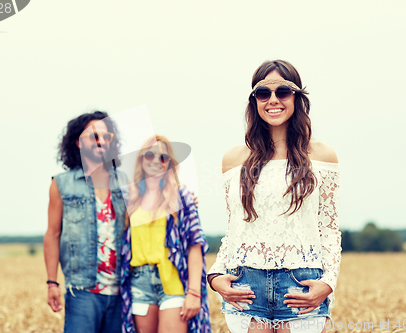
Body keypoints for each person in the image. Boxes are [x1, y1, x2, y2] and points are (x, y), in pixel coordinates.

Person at [207, 60, 341, 333]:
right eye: (263, 93)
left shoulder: (323, 156)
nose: (273, 100)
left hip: (301, 284)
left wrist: (328, 283)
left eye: (283, 91)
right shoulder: (234, 159)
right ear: (254, 100)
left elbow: (328, 227)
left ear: (297, 97)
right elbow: (234, 228)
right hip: (245, 284)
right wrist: (214, 276)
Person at [44, 111, 128, 333]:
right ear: (77, 142)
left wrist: (186, 197)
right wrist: (52, 282)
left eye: (105, 136)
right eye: (93, 136)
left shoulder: (126, 182)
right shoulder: (61, 184)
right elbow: (52, 234)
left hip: (123, 290)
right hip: (82, 290)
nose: (100, 141)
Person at [120, 135, 211, 333]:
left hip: (173, 281)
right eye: (150, 155)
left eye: (163, 157)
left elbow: (195, 246)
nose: (155, 161)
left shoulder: (182, 197)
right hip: (139, 283)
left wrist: (194, 292)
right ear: (141, 159)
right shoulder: (129, 198)